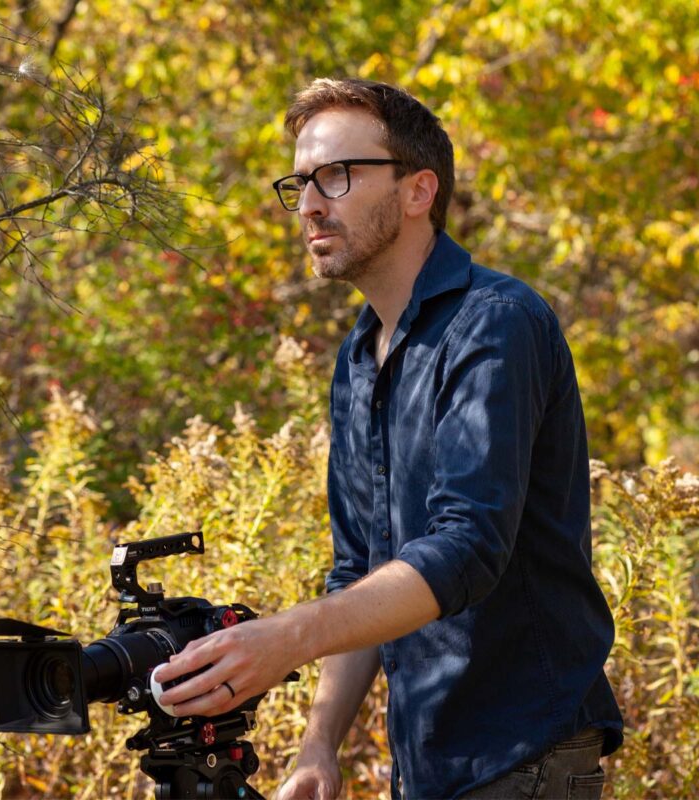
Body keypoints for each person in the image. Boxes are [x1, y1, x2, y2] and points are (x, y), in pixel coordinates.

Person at [152, 78, 623, 800]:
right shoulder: (359, 355)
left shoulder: (496, 323)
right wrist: (319, 746)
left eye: (337, 175)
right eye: (300, 182)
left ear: (417, 190)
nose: (310, 202)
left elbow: (468, 548)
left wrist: (287, 638)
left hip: (524, 758)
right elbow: (361, 571)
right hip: (427, 768)